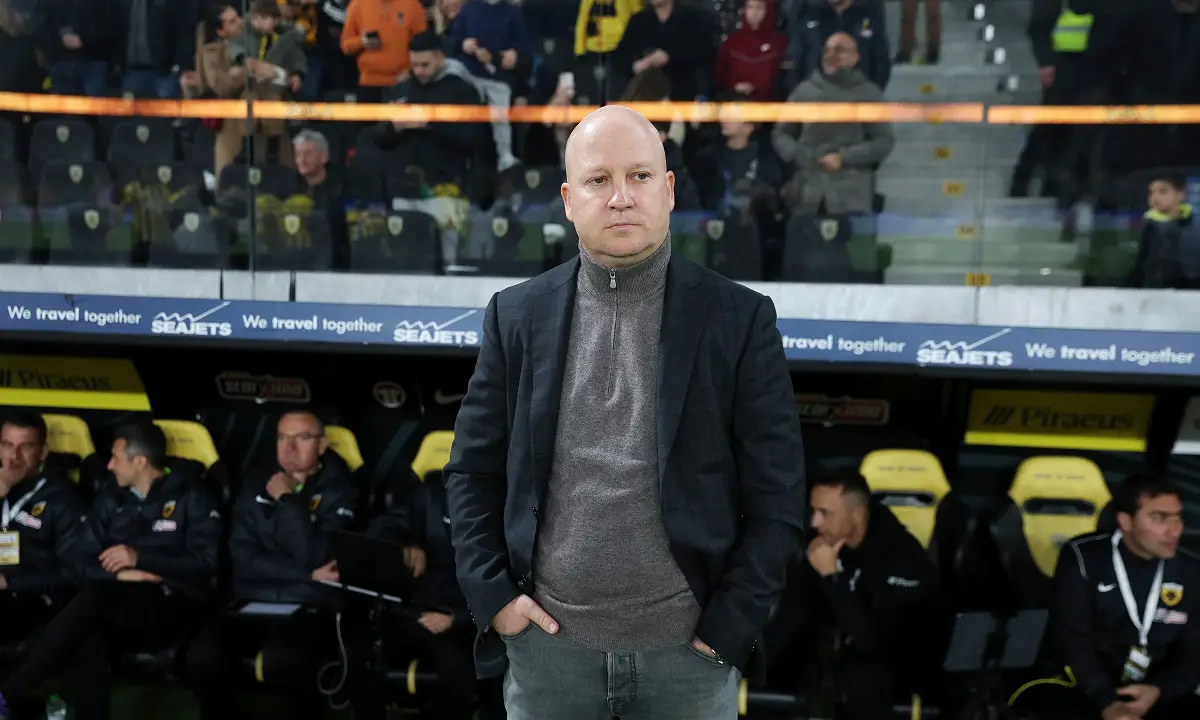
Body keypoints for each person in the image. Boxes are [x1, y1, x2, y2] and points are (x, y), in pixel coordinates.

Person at [445, 104, 806, 719]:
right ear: (568, 199)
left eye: (639, 176)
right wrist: (496, 600)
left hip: (689, 663)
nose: (621, 198)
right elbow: (470, 473)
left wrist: (729, 626)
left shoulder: (739, 319)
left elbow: (779, 494)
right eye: (598, 180)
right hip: (548, 658)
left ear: (669, 190)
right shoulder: (516, 315)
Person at [0, 420, 222, 720]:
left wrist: (140, 558)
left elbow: (207, 561)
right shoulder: (111, 497)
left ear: (140, 462)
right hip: (120, 600)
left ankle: (7, 697)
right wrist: (118, 574)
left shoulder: (191, 494)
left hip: (175, 600)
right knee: (88, 634)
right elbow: (80, 559)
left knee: (95, 598)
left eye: (116, 457)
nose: (109, 465)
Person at [184, 409, 358, 720]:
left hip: (310, 605)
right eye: (282, 438)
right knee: (203, 655)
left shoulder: (342, 489)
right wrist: (306, 575)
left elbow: (317, 555)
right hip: (253, 599)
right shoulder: (255, 482)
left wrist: (288, 501)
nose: (289, 447)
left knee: (284, 660)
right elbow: (243, 559)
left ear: (322, 445)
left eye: (301, 438)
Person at [1038, 474, 1200, 720]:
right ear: (1126, 521)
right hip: (1083, 688)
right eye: (1159, 518)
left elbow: (1193, 652)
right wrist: (1106, 702)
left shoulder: (1191, 570)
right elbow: (1072, 639)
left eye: (1177, 518)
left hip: (1153, 691)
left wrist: (1159, 690)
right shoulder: (1084, 557)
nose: (1174, 530)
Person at [803, 467, 949, 719]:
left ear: (857, 514)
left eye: (825, 513)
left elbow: (872, 639)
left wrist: (830, 577)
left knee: (865, 676)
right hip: (851, 651)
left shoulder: (901, 558)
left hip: (904, 661)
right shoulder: (826, 540)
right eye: (813, 511)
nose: (815, 523)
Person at [344, 475, 486, 720]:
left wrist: (457, 619)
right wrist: (408, 543)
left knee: (456, 668)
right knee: (359, 654)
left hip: (465, 618)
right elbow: (383, 527)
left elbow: (512, 584)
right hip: (412, 609)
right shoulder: (430, 493)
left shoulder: (504, 503)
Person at [0, 412, 86, 633]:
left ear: (42, 452)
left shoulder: (63, 497)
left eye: (25, 447)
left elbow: (72, 573)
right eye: (7, 445)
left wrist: (10, 581)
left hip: (34, 596)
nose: (14, 456)